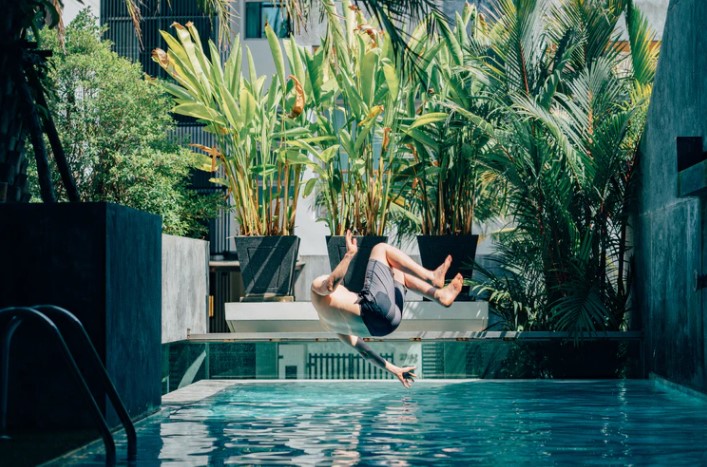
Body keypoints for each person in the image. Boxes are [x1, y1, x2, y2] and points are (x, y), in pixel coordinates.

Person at [311, 230, 464, 387]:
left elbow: (365, 352)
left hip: (389, 324)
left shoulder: (330, 324)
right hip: (372, 309)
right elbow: (330, 285)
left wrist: (394, 370)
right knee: (380, 248)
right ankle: (431, 276)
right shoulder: (316, 286)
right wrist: (349, 255)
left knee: (397, 269)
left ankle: (439, 296)